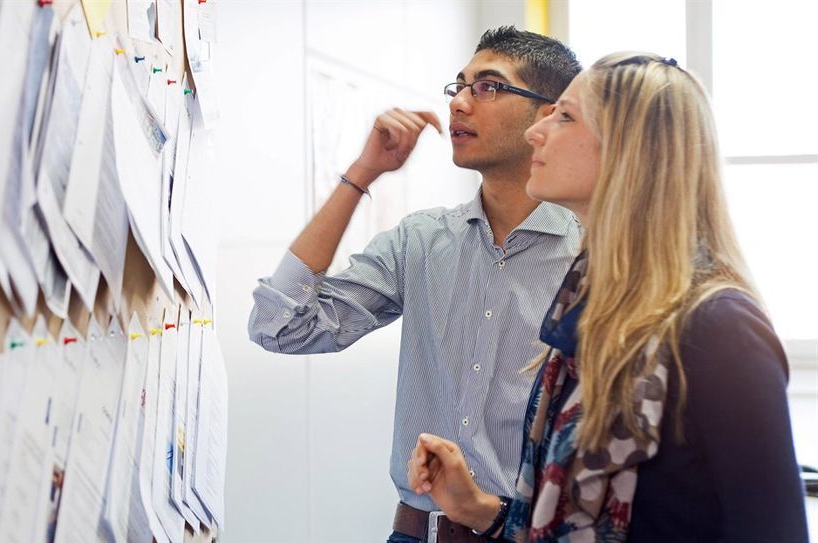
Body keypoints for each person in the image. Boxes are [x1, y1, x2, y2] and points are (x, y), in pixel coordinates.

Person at [406, 52, 809, 542]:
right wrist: (476, 508)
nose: (537, 132)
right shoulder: (585, 312)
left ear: (632, 150)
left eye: (566, 117)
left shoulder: (719, 326)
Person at [248, 27, 582, 541]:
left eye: (488, 87)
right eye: (459, 87)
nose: (459, 105)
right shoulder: (423, 242)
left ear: (547, 115)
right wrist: (362, 173)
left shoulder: (587, 256)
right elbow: (281, 327)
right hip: (415, 532)